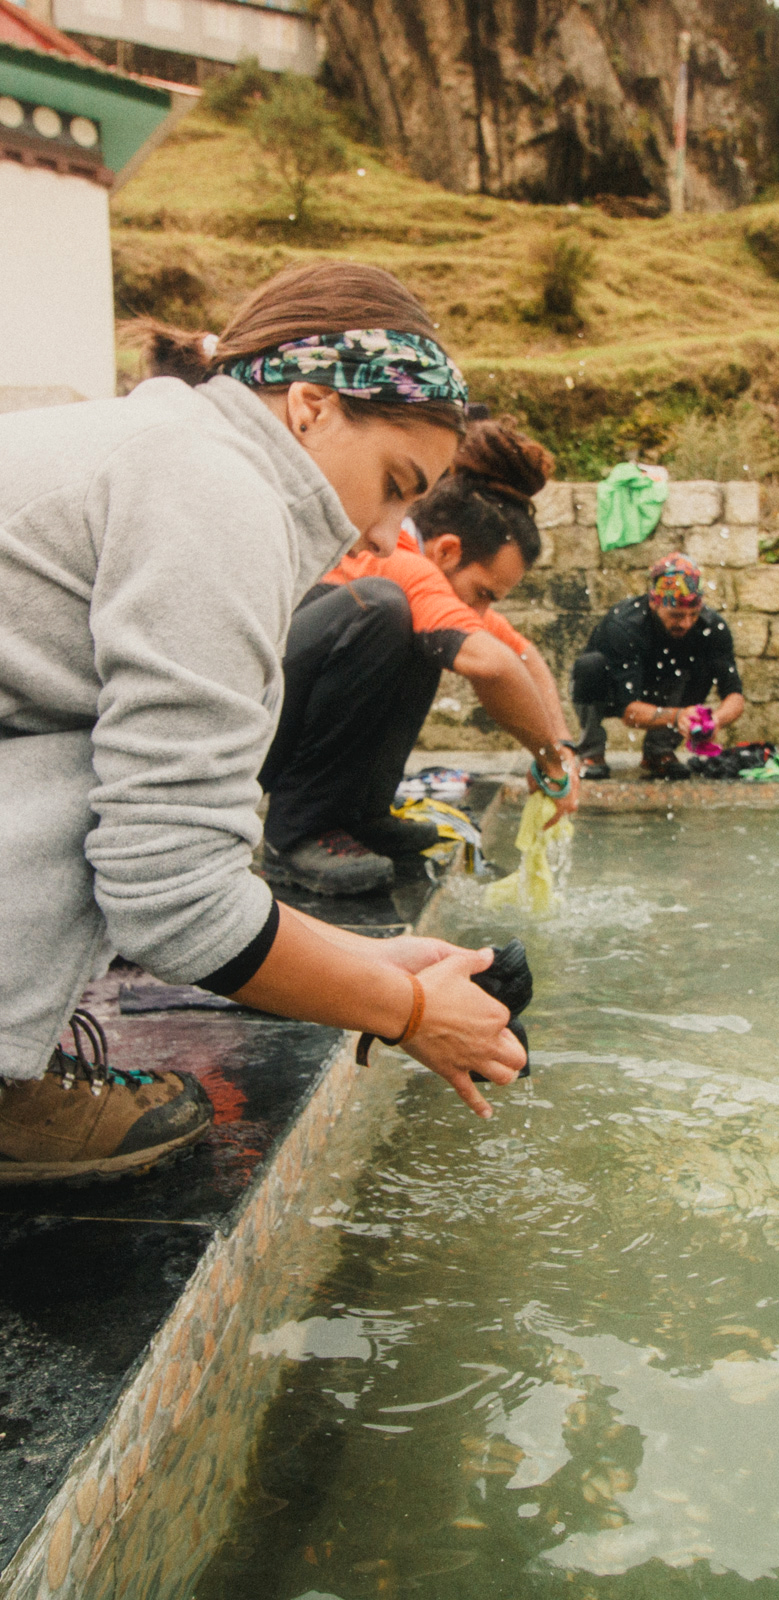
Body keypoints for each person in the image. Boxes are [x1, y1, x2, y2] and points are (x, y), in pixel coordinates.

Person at [0, 260, 527, 1187]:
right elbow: (171, 894)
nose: (384, 534)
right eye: (396, 484)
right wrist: (403, 1008)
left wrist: (358, 961)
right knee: (120, 784)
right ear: (311, 408)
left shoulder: (170, 444)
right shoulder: (216, 489)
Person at [260, 418, 580, 895]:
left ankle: (361, 816)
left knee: (423, 632)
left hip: (278, 721)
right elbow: (492, 666)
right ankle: (298, 832)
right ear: (448, 551)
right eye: (484, 593)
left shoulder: (433, 583)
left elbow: (522, 654)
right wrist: (550, 764)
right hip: (249, 731)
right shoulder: (401, 567)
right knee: (387, 610)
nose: (484, 610)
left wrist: (565, 747)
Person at [571, 553, 745, 780]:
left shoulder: (711, 627)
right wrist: (678, 716)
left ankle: (659, 750)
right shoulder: (623, 626)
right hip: (615, 691)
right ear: (654, 602)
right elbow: (629, 713)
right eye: (676, 615)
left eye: (693, 614)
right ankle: (591, 752)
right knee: (588, 666)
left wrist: (716, 720)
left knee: (702, 664)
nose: (686, 623)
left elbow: (735, 695)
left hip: (668, 686)